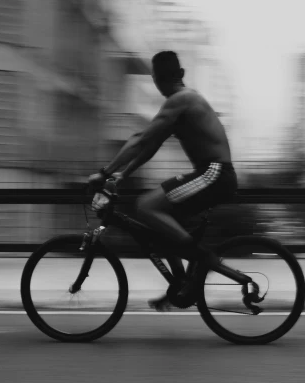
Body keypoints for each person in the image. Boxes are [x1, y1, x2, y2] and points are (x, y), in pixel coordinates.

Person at [88, 50, 237, 310]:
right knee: (160, 221)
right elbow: (151, 145)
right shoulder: (182, 100)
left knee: (147, 206)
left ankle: (203, 260)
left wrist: (104, 171)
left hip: (214, 173)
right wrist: (123, 174)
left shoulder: (180, 100)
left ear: (156, 79)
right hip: (211, 173)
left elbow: (141, 140)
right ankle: (180, 283)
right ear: (180, 74)